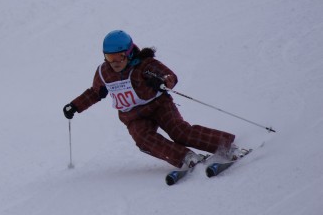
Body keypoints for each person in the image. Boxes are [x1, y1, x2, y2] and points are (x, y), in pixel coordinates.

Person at [63, 30, 240, 170]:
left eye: (120, 57)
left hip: (159, 106)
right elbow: (96, 92)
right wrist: (75, 106)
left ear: (130, 53)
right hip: (134, 116)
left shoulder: (144, 65)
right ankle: (185, 157)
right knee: (144, 140)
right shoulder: (104, 72)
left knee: (179, 132)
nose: (115, 62)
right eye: (110, 57)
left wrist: (162, 81)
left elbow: (170, 77)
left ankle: (226, 146)